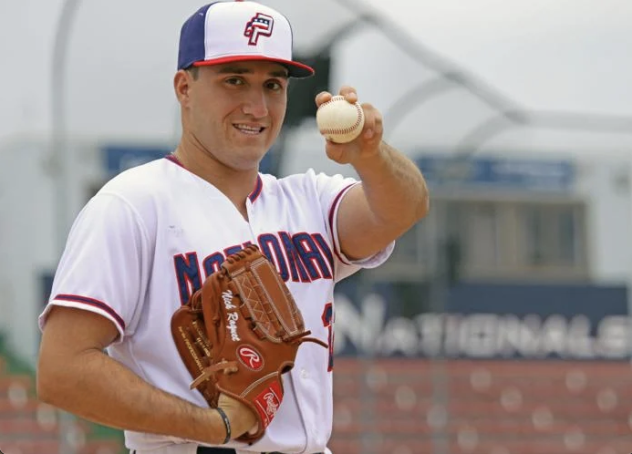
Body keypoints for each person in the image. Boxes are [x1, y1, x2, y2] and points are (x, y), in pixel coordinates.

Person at [36, 1, 429, 454]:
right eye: (235, 80)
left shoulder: (307, 201)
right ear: (185, 87)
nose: (257, 106)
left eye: (273, 85)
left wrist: (371, 153)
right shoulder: (132, 205)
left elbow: (404, 208)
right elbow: (62, 369)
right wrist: (213, 426)